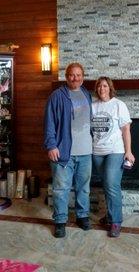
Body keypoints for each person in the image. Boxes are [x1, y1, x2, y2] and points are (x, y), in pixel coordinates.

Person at [44, 62, 92, 238]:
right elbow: (49, 122)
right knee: (61, 188)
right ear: (66, 77)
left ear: (83, 77)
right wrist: (51, 145)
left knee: (84, 188)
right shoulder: (57, 96)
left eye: (79, 75)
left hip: (86, 151)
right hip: (64, 152)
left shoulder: (86, 94)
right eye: (72, 75)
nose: (75, 78)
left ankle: (82, 216)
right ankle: (60, 221)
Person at [91, 76, 135, 238]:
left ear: (110, 88)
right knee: (108, 185)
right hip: (97, 152)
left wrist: (128, 151)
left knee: (111, 183)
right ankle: (110, 215)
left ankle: (116, 221)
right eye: (99, 86)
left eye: (105, 86)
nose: (102, 89)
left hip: (115, 150)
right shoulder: (92, 106)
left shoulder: (118, 105)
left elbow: (125, 130)